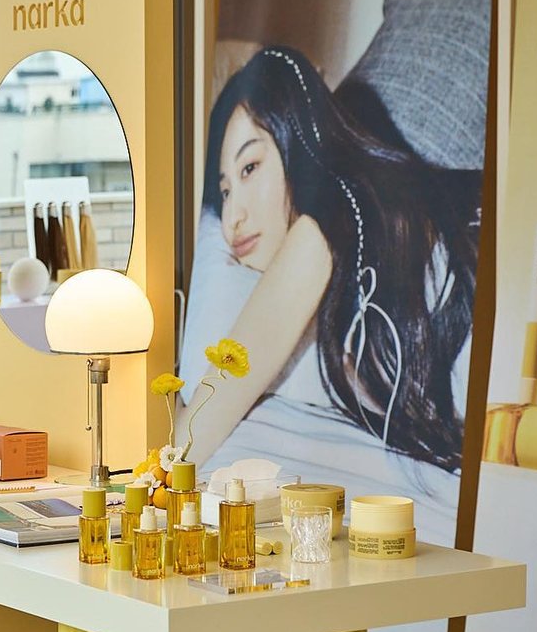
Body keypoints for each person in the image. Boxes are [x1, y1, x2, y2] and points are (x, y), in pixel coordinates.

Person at [180, 46, 480, 474]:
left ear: (300, 141)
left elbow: (196, 434)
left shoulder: (318, 233)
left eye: (250, 168)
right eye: (225, 192)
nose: (232, 219)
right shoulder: (356, 241)